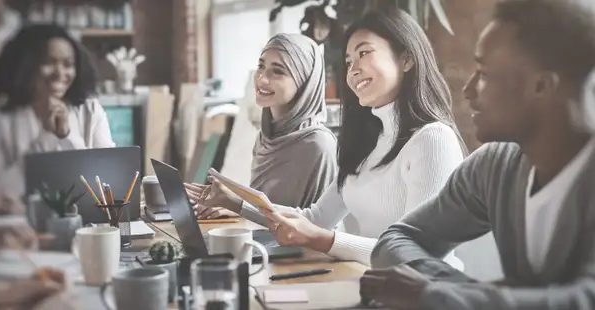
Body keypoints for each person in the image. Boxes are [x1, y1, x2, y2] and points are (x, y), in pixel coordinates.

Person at [363, 0, 595, 309]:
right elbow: (396, 240)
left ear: (541, 86)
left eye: (484, 73)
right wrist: (461, 294)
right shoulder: (494, 166)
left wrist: (438, 296)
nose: (469, 90)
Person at [188, 10, 467, 266]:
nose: (353, 69)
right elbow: (315, 218)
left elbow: (418, 253)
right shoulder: (369, 142)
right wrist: (234, 202)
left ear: (406, 59)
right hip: (375, 285)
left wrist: (322, 239)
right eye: (348, 61)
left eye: (364, 53)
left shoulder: (433, 140)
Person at [185, 33, 338, 218]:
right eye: (261, 66)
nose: (262, 79)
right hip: (263, 240)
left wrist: (237, 205)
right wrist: (234, 208)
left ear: (305, 82)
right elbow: (266, 207)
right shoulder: (266, 136)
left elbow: (317, 224)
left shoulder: (318, 145)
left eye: (278, 71)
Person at [0, 24, 115, 197]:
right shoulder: (3, 119)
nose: (60, 73)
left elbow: (108, 184)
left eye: (68, 64)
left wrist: (67, 135)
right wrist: (46, 137)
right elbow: (0, 195)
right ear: (26, 66)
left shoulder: (90, 110)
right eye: (48, 63)